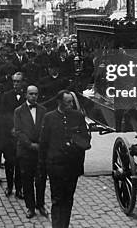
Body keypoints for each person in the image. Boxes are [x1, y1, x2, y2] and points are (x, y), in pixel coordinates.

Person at [39, 90, 90, 228]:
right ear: (59, 102)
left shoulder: (78, 116)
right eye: (68, 102)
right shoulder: (49, 118)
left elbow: (86, 138)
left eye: (72, 101)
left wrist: (74, 142)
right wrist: (42, 166)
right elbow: (43, 143)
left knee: (68, 200)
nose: (71, 104)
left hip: (72, 167)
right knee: (57, 200)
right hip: (55, 167)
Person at [14, 85, 47, 219]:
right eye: (31, 94)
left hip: (40, 151)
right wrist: (30, 144)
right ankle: (30, 207)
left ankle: (41, 205)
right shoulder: (19, 111)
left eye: (36, 94)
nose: (33, 96)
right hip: (26, 151)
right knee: (27, 180)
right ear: (26, 95)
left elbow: (45, 129)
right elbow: (18, 131)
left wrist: (40, 144)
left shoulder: (43, 110)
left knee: (41, 180)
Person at [0, 71, 25, 198]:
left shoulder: (27, 96)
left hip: (22, 136)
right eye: (14, 81)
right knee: (9, 162)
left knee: (21, 164)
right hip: (9, 136)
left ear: (23, 83)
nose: (16, 84)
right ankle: (9, 187)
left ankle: (19, 189)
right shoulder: (6, 96)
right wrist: (10, 128)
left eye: (18, 82)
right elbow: (3, 114)